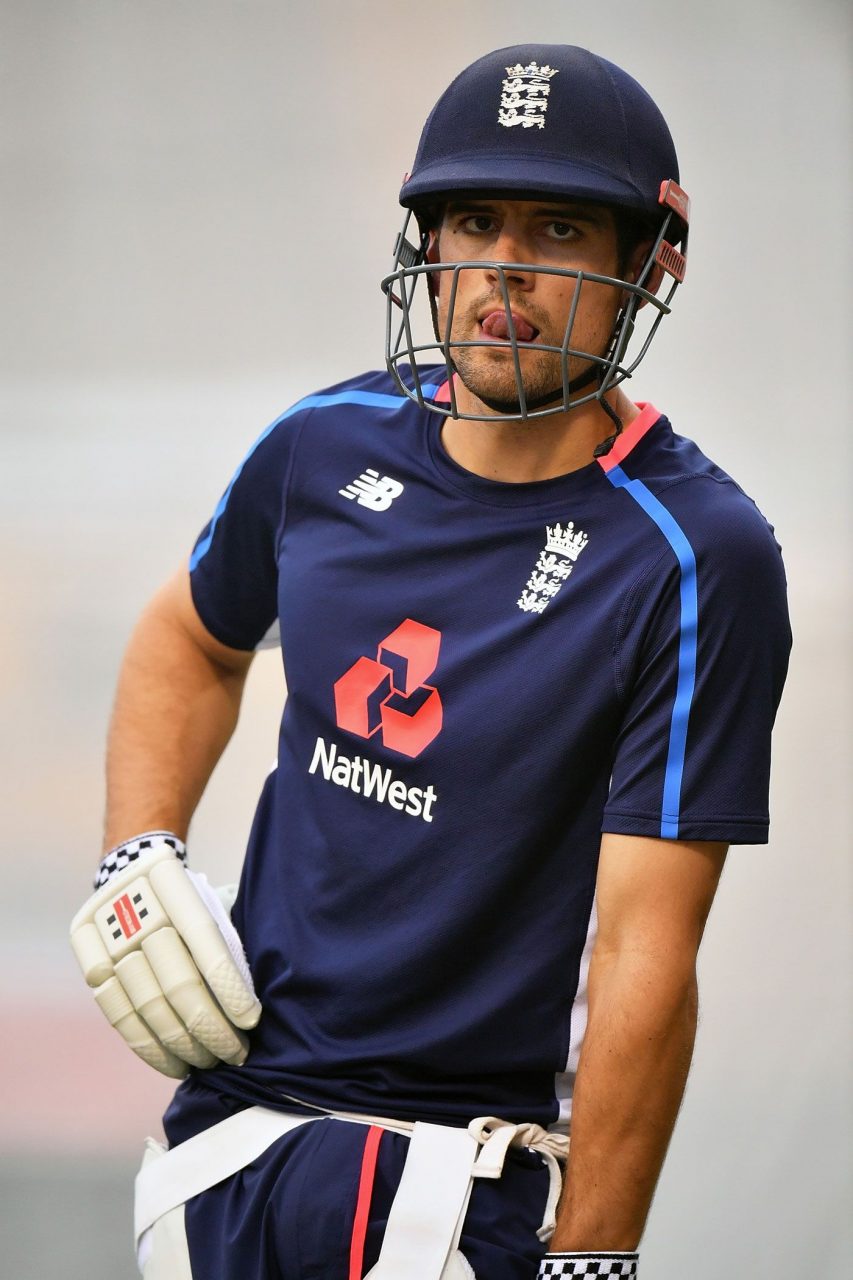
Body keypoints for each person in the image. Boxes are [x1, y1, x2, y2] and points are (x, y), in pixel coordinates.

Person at [70, 44, 791, 1280]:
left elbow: (644, 955)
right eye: (472, 218)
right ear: (428, 243)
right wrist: (140, 848)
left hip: (454, 1182)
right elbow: (190, 637)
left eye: (558, 227)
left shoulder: (695, 554)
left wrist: (594, 1254)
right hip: (225, 1146)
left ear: (643, 267)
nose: (501, 268)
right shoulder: (318, 443)